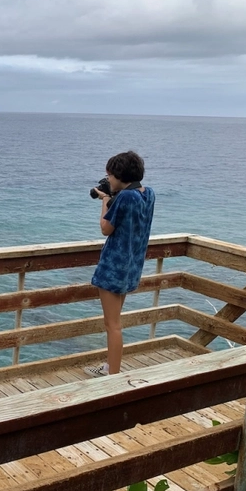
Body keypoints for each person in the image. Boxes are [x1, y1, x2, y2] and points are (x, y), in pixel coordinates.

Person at [84, 151, 155, 377]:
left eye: (110, 176)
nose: (109, 180)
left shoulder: (125, 197)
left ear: (118, 175)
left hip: (114, 267)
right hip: (132, 266)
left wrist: (105, 199)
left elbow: (106, 228)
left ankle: (112, 376)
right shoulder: (148, 194)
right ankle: (109, 367)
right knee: (115, 322)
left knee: (112, 325)